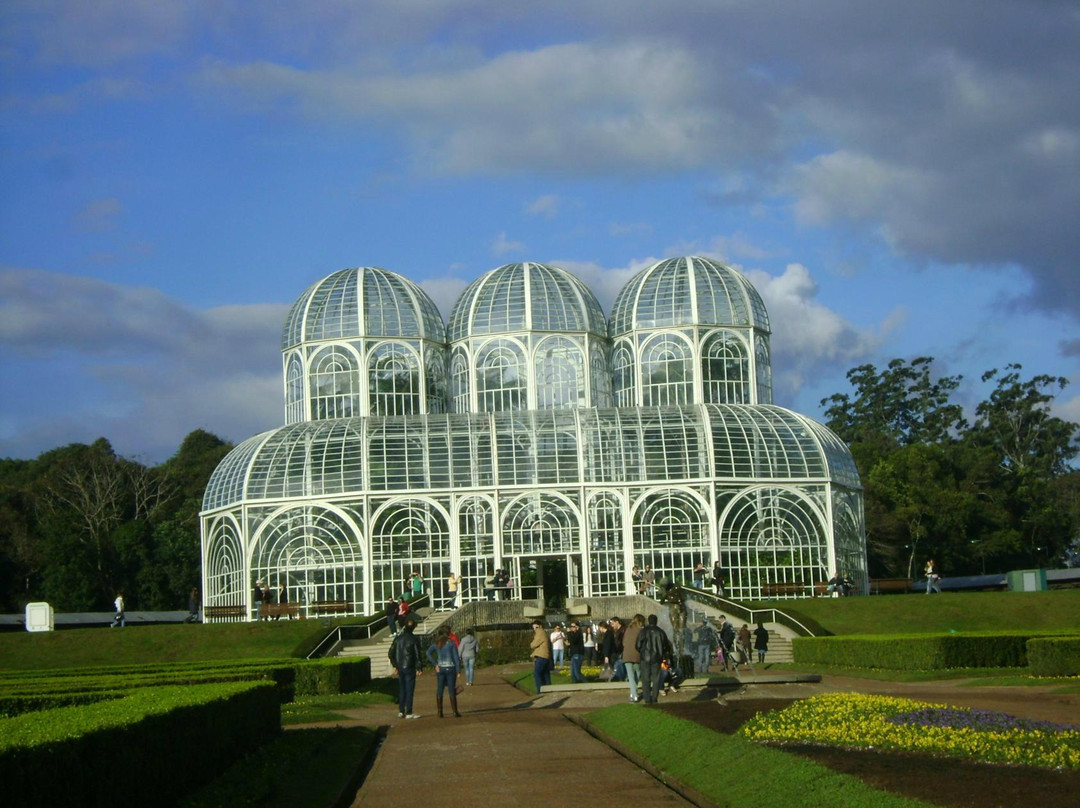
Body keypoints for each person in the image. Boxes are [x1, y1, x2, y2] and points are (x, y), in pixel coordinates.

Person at [388, 618, 423, 719]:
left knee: (402, 689)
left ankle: (401, 710)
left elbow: (390, 653)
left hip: (400, 667)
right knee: (409, 689)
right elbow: (417, 655)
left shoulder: (398, 639)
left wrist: (395, 665)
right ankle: (409, 711)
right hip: (409, 666)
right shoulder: (413, 639)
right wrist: (419, 667)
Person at [426, 626, 462, 717]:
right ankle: (455, 711)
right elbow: (455, 658)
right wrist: (458, 670)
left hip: (440, 668)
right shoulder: (451, 643)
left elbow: (428, 653)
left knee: (440, 689)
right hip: (450, 667)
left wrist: (435, 664)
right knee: (451, 689)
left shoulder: (437, 643)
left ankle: (440, 712)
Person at [636, 613, 671, 704]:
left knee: (645, 679)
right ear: (656, 621)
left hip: (645, 657)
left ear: (648, 621)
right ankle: (654, 697)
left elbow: (637, 645)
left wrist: (642, 652)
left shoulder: (644, 631)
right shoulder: (660, 632)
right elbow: (666, 646)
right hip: (657, 657)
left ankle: (647, 698)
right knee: (656, 679)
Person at [621, 614, 644, 702]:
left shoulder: (628, 629)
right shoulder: (641, 630)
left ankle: (633, 693)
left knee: (631, 676)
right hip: (637, 655)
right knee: (637, 674)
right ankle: (635, 695)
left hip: (627, 655)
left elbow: (624, 642)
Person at [529, 619, 552, 693]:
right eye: (534, 628)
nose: (535, 629)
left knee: (537, 673)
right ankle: (549, 690)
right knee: (545, 674)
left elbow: (533, 645)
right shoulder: (543, 633)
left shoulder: (540, 632)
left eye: (536, 627)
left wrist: (532, 645)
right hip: (545, 656)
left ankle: (540, 691)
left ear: (540, 626)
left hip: (541, 657)